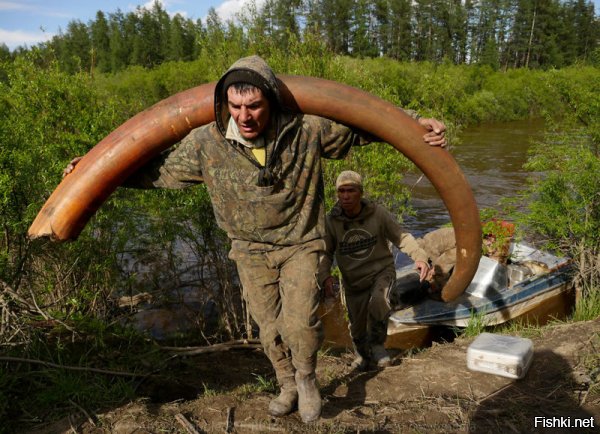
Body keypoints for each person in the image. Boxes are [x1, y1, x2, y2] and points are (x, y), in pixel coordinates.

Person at [64, 55, 447, 422]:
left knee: (300, 323)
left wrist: (417, 124)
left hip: (302, 242)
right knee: (269, 327)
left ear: (271, 102)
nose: (244, 117)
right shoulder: (206, 143)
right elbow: (153, 171)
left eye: (254, 106)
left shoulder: (306, 129)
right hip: (248, 249)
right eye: (235, 106)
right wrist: (93, 168)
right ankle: (286, 384)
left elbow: (368, 125)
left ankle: (307, 378)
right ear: (224, 103)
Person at [318, 171, 431, 370]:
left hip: (381, 271)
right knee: (357, 323)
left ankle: (378, 347)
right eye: (341, 191)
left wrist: (420, 257)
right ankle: (361, 354)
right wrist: (325, 276)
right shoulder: (331, 221)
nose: (345, 196)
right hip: (353, 279)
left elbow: (401, 237)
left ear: (360, 192)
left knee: (379, 301)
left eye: (351, 191)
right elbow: (326, 253)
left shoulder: (378, 213)